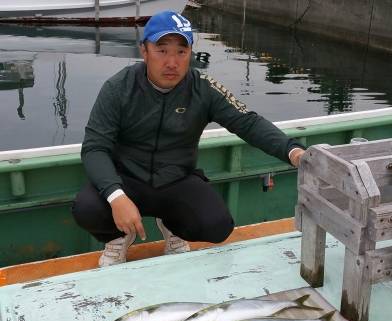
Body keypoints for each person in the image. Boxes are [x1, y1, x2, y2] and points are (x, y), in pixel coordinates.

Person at [72, 10, 305, 267]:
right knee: (87, 209)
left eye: (181, 52)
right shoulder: (118, 88)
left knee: (217, 226)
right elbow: (95, 147)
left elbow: (247, 121)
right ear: (144, 51)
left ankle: (173, 227)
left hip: (176, 179)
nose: (172, 62)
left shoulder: (203, 87)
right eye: (162, 50)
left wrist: (292, 151)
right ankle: (118, 236)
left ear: (190, 53)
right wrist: (116, 196)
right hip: (126, 179)